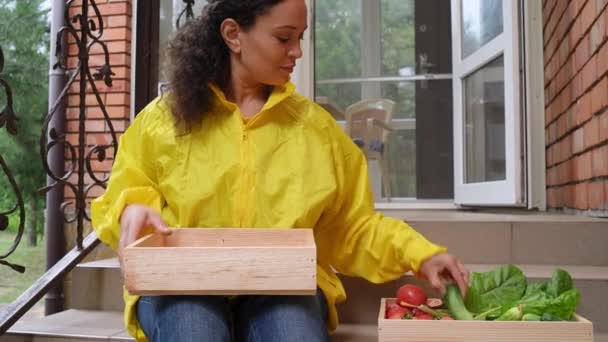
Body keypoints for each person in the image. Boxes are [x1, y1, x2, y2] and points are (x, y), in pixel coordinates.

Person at [91, 0, 469, 341]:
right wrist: (131, 208)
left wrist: (420, 254)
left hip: (284, 285)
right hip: (180, 284)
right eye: (284, 38)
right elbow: (128, 191)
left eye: (300, 38)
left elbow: (352, 226)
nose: (297, 52)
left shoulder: (317, 130)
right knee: (193, 330)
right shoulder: (163, 119)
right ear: (233, 34)